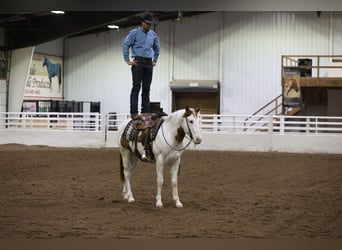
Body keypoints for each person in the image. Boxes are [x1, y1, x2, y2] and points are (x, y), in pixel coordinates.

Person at [122, 13, 160, 119]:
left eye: (150, 24)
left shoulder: (153, 34)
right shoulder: (134, 33)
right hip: (138, 62)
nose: (148, 26)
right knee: (136, 87)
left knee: (146, 89)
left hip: (148, 63)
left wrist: (155, 60)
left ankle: (145, 112)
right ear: (142, 23)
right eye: (147, 24)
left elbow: (157, 47)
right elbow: (126, 45)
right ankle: (134, 112)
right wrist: (127, 60)